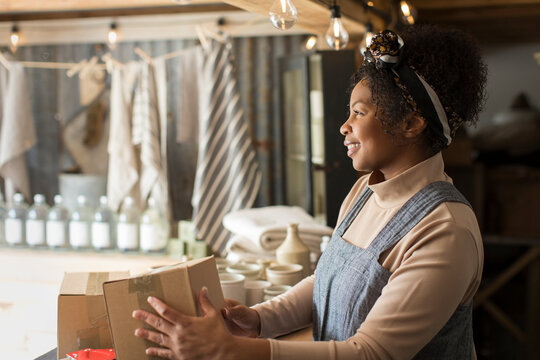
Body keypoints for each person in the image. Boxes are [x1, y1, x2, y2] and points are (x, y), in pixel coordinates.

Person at [132, 24, 487, 360]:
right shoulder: (366, 190)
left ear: (411, 123)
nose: (344, 126)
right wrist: (259, 320)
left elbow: (372, 353)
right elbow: (329, 279)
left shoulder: (445, 230)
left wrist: (230, 350)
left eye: (358, 112)